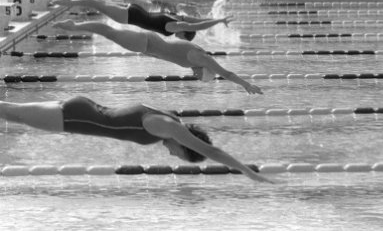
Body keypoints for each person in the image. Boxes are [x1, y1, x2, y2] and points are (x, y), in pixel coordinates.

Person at [0, 96, 272, 183]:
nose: (173, 156)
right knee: (12, 113)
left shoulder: (169, 122)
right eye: (180, 154)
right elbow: (213, 152)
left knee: (12, 112)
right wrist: (248, 172)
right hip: (76, 117)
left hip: (79, 113)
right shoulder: (168, 128)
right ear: (185, 145)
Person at [52, 19, 263, 94]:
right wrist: (246, 85)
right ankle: (74, 26)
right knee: (109, 32)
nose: (197, 79)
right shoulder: (201, 59)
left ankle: (75, 26)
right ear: (204, 70)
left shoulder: (196, 59)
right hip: (147, 43)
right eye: (201, 78)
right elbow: (226, 73)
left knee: (110, 33)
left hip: (147, 44)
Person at [52, 0, 233, 42]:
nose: (181, 39)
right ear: (184, 34)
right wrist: (217, 21)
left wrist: (217, 21)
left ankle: (71, 5)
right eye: (185, 37)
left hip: (136, 11)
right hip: (130, 16)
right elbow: (196, 26)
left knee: (98, 1)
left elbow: (195, 24)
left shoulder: (177, 23)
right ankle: (70, 4)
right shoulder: (175, 28)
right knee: (96, 3)